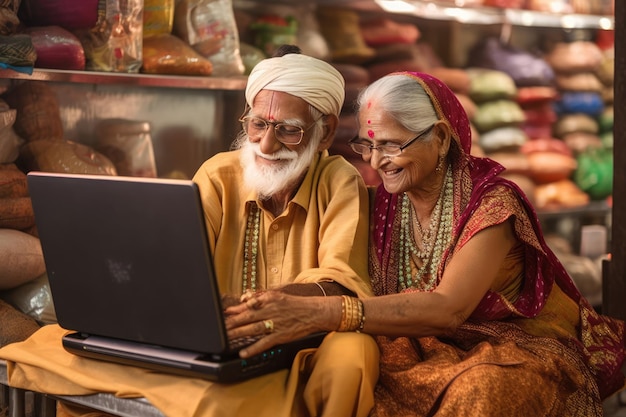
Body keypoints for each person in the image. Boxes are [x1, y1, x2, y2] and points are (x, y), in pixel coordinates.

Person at [0, 46, 378, 417]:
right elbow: (172, 258)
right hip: (217, 336)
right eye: (258, 124)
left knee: (352, 353)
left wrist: (269, 304)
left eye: (289, 131)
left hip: (300, 341)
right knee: (53, 348)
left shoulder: (338, 180)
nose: (266, 143)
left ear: (325, 133)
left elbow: (338, 282)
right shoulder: (220, 173)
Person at [226, 71, 626, 416]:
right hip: (420, 345)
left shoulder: (491, 204)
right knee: (349, 374)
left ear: (438, 136)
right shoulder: (378, 202)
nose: (377, 162)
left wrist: (320, 313)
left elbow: (449, 308)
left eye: (391, 144)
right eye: (368, 146)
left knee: (480, 394)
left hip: (512, 349)